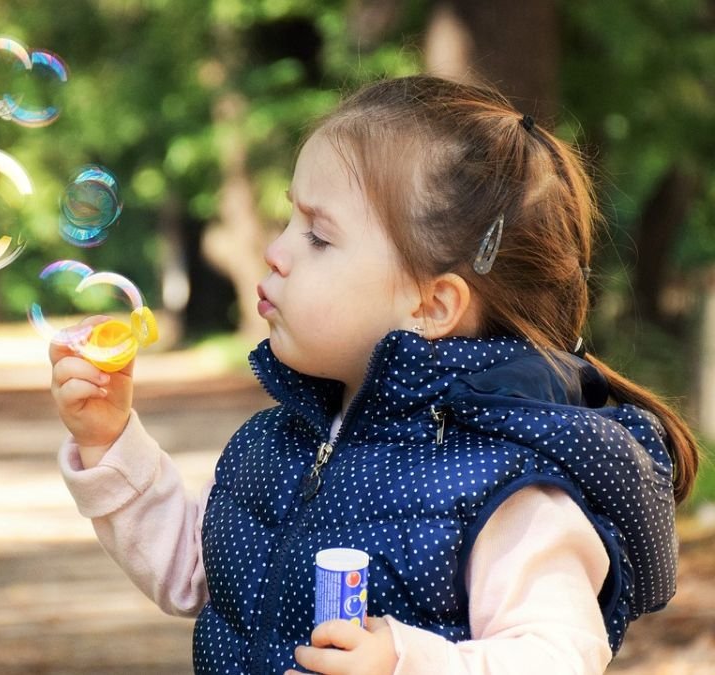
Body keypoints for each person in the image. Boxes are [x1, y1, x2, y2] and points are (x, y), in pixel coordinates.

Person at [49, 74, 698, 675]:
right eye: (288, 218)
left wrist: (407, 659)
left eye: (318, 237)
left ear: (431, 305)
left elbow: (558, 652)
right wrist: (111, 441)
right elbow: (198, 569)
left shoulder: (503, 482)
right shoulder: (278, 443)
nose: (276, 252)